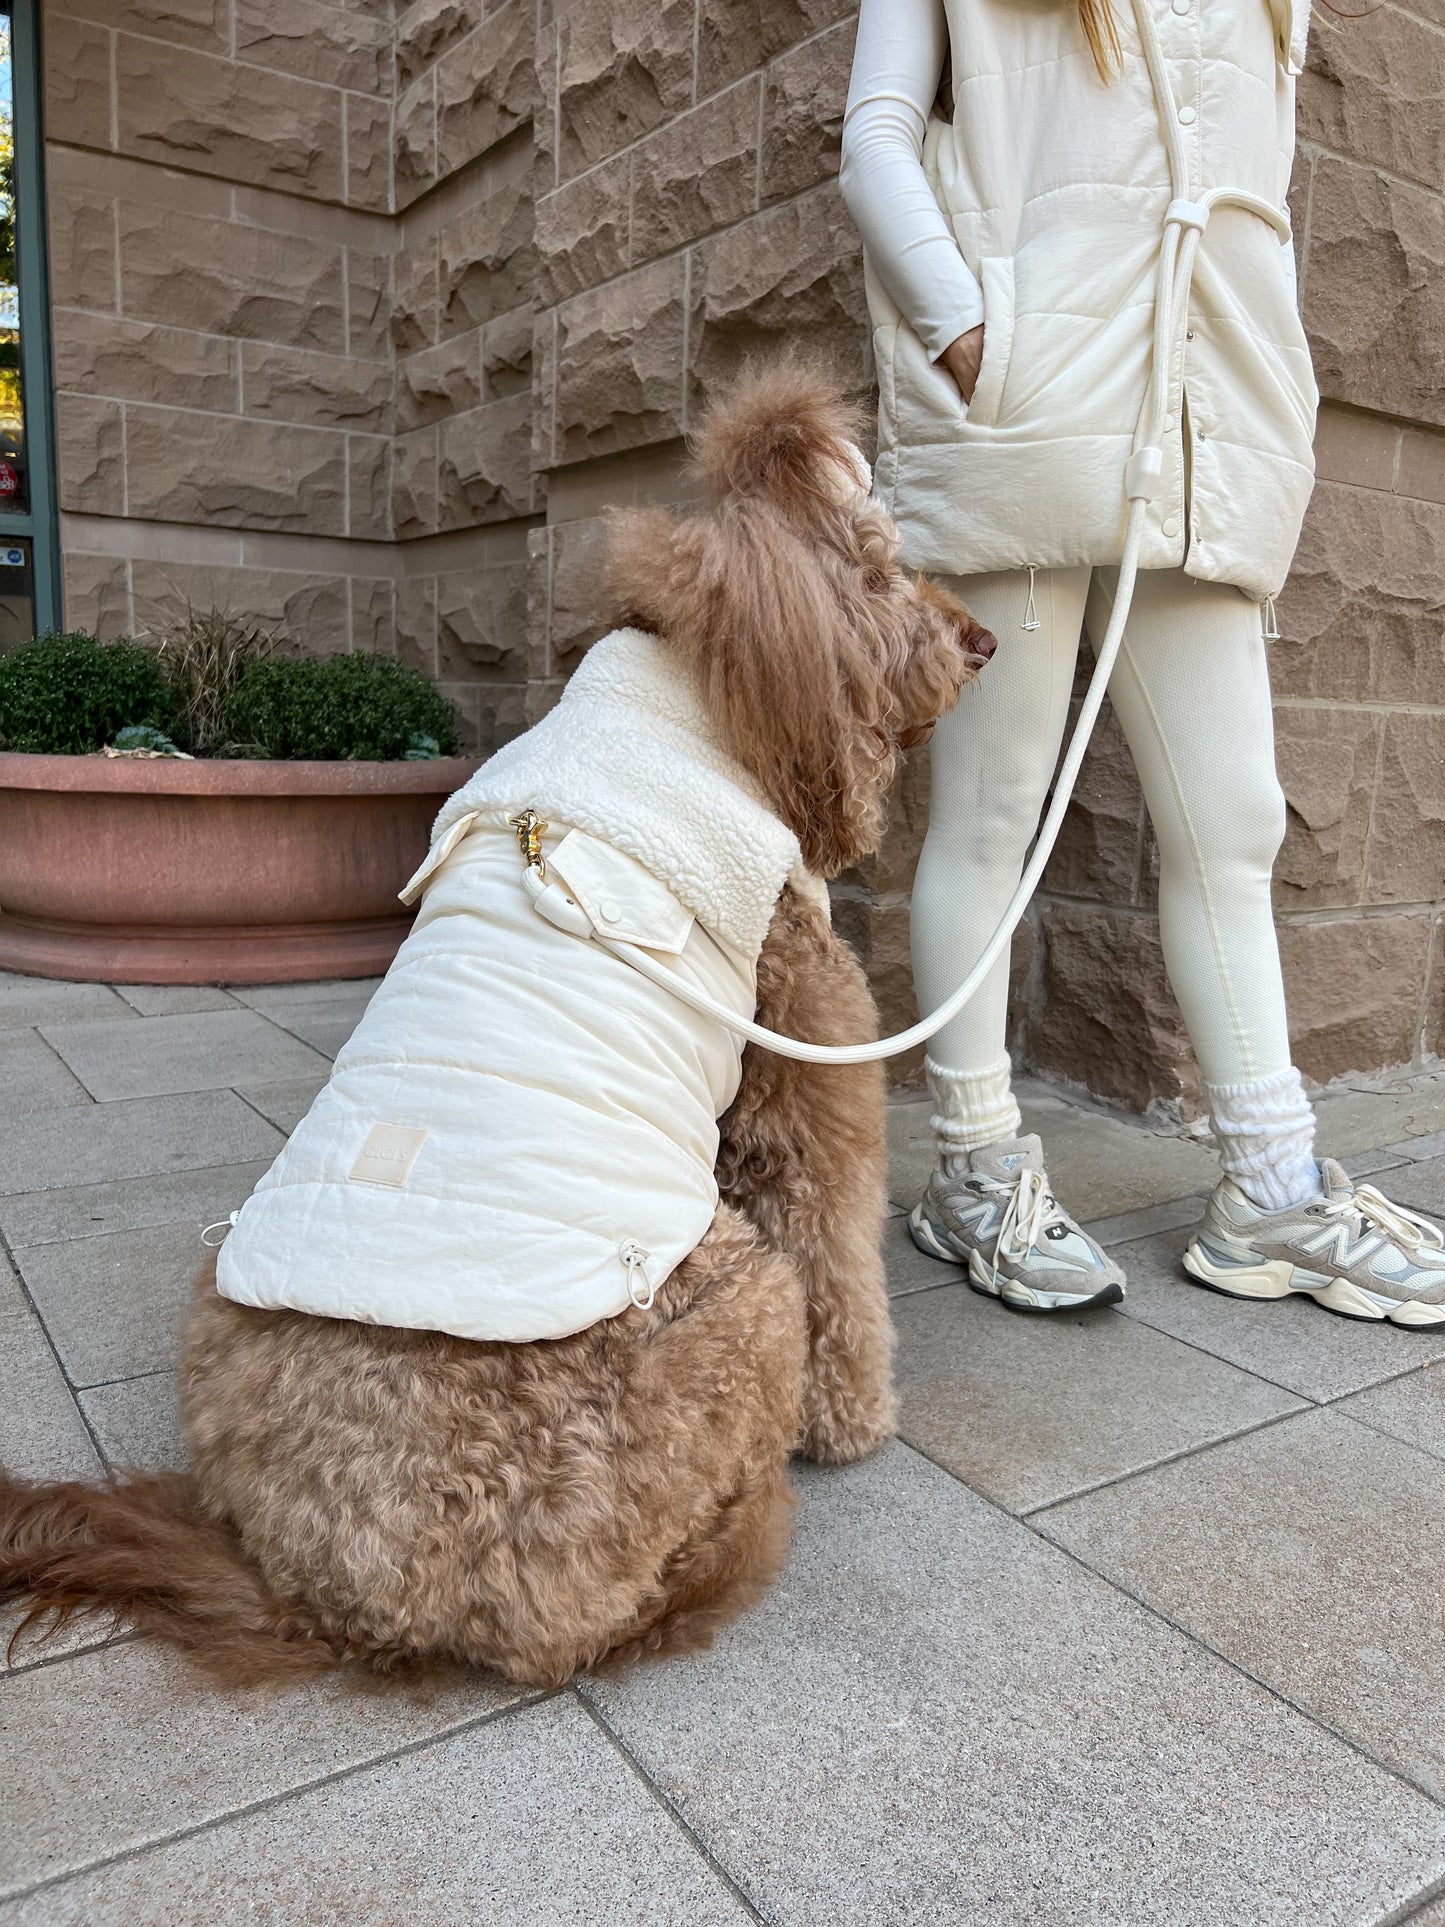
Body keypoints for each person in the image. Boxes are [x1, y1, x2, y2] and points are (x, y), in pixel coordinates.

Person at [838, 0, 1445, 1325]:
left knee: (1231, 821)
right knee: (990, 811)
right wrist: (965, 329)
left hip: (1208, 409)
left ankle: (1269, 1187)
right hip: (1023, 412)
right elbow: (874, 135)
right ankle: (974, 1162)